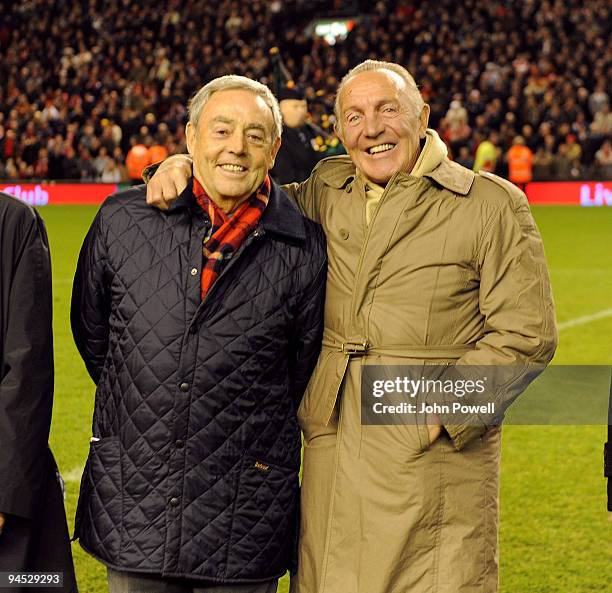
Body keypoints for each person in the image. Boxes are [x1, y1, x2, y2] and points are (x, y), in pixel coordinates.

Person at [145, 60, 558, 593]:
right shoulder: (325, 189)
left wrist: (437, 413)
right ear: (339, 131)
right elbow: (242, 194)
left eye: (388, 109)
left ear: (422, 115)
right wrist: (183, 163)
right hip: (330, 441)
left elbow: (527, 336)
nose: (373, 128)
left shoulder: (490, 204)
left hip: (429, 455)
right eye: (354, 116)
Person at [71, 76, 326, 593]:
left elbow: (299, 368)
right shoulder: (122, 220)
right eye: (222, 130)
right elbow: (94, 334)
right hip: (136, 503)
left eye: (255, 136)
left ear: (274, 150)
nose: (237, 147)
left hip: (244, 515)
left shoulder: (303, 247)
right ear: (190, 138)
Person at [0, 192, 77, 593]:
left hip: (7, 488)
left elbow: (26, 368)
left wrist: (4, 491)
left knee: (24, 581)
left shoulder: (14, 223)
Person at [270, 85, 327, 184]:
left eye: (303, 106)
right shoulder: (279, 138)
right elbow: (287, 176)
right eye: (296, 107)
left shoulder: (307, 131)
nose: (301, 111)